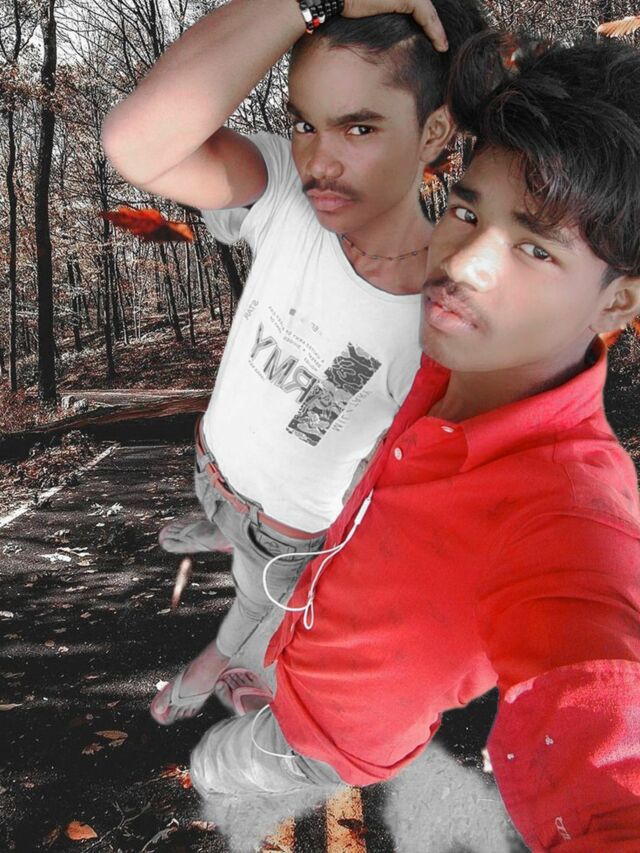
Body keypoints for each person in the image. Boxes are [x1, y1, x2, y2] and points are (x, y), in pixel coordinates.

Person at [188, 31, 640, 850]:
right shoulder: (456, 354)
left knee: (217, 767)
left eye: (533, 247)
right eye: (466, 211)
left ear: (618, 302)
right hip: (298, 639)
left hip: (330, 736)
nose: (462, 263)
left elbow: (608, 758)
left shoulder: (570, 514)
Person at [101, 0, 486, 724]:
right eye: (306, 123)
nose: (320, 160)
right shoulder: (284, 189)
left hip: (289, 530)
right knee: (226, 513)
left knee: (261, 604)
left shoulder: (447, 309)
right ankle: (219, 529)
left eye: (360, 127)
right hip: (213, 463)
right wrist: (302, 2)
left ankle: (217, 663)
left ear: (434, 132)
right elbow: (135, 142)